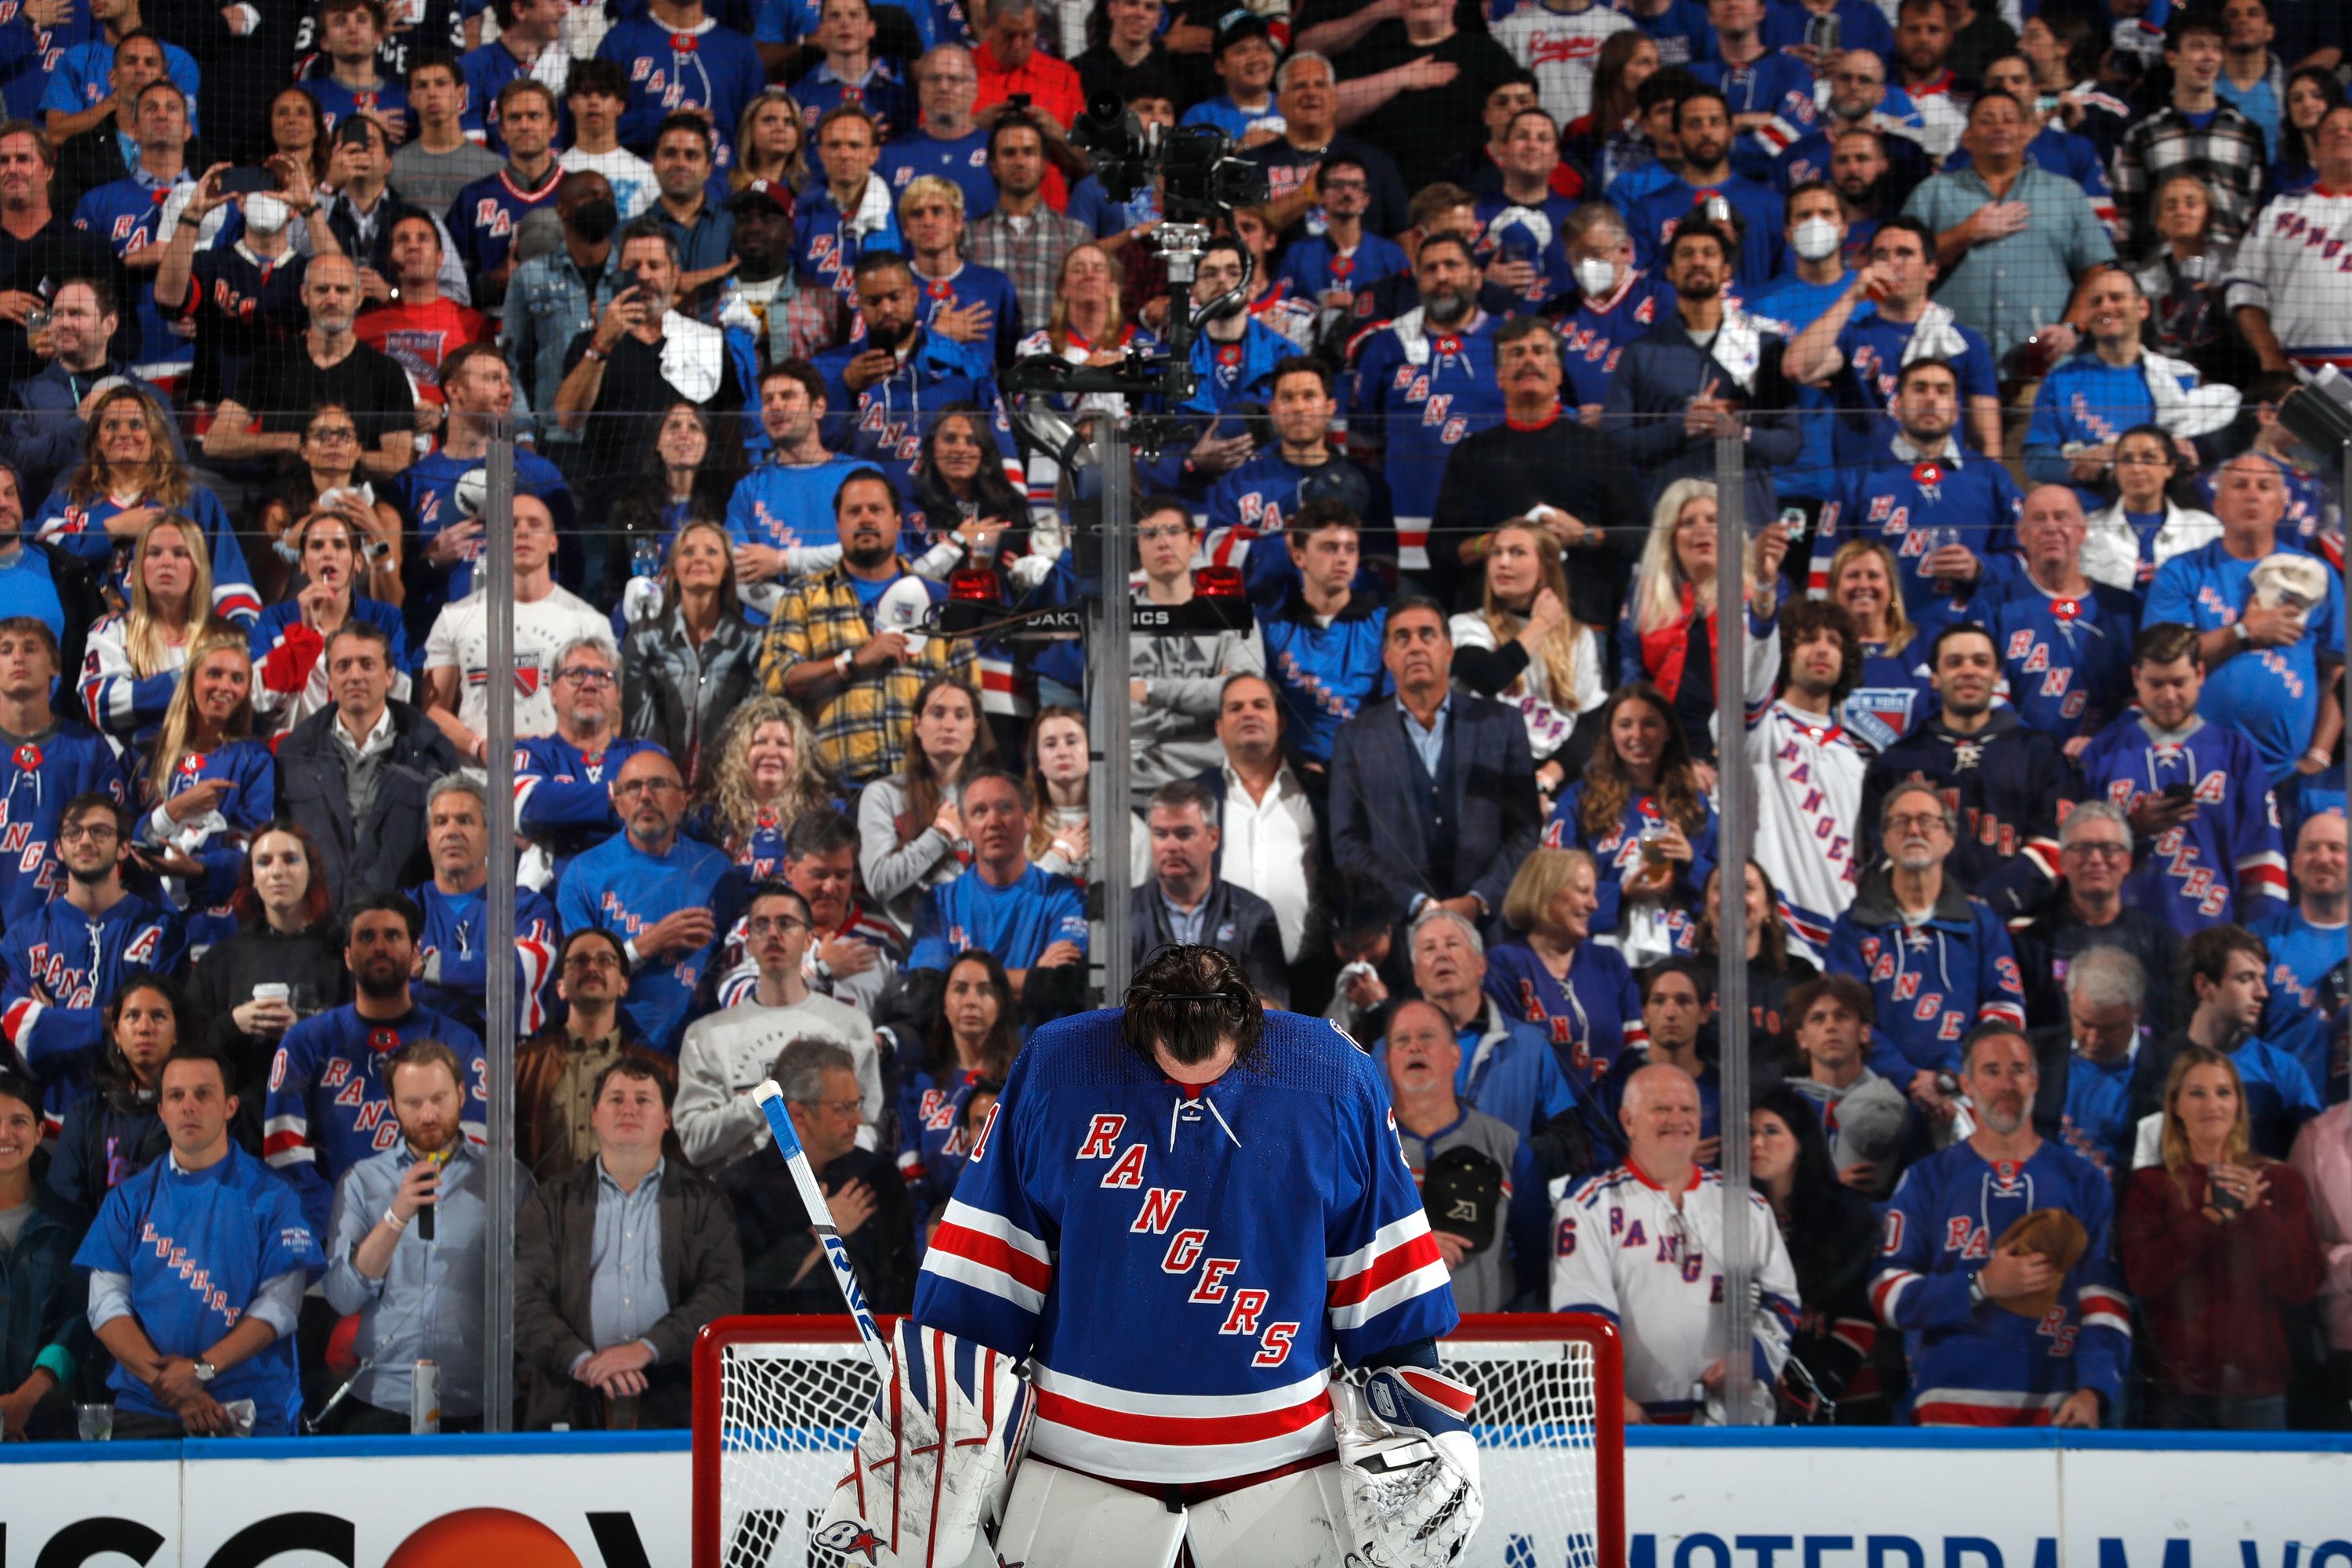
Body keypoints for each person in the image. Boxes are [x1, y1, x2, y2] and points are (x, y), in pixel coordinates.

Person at [857, 945, 1470, 1566]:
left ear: (1249, 1021)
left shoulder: (1334, 1077)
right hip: (1079, 1476)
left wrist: (1437, 1436)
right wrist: (923, 1429)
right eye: (1172, 1064)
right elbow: (978, 1292)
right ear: (1137, 1025)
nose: (1190, 1086)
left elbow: (1392, 1307)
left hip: (1283, 1476)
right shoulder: (1057, 1067)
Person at [1871, 1024, 2129, 1427]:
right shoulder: (1927, 1179)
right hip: (1951, 1401)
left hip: (2058, 1405)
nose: (2007, 1084)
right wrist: (1980, 1284)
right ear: (1967, 1084)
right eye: (1992, 1071)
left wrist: (2093, 1389)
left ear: (2035, 1081)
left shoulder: (2083, 1180)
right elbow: (1887, 1293)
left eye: (2018, 1070)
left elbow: (2104, 1299)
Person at [76, 1045, 324, 1438]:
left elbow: (279, 1307)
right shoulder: (128, 1200)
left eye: (203, 1094)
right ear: (161, 1110)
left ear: (229, 1106)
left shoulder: (274, 1197)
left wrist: (200, 1371)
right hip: (146, 1410)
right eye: (175, 1096)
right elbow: (105, 1308)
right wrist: (177, 1391)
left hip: (250, 1412)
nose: (188, 1106)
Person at [1553, 1061, 1799, 1424]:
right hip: (1632, 1423)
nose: (1678, 1119)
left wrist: (1754, 1358)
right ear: (1628, 1121)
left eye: (1688, 1109)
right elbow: (1582, 1315)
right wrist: (1608, 1395)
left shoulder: (1746, 1204)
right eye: (1661, 1109)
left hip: (1734, 1423)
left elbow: (1782, 1299)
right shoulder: (1589, 1203)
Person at [515, 1056, 744, 1430]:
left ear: (667, 1118)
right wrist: (582, 1360)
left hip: (678, 1401)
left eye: (643, 1100)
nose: (629, 1110)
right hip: (570, 1398)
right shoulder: (551, 1201)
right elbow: (524, 1300)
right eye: (616, 1099)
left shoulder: (705, 1201)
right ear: (593, 1115)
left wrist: (645, 1349)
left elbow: (722, 1295)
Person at [321, 1039, 534, 1432]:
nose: (429, 1114)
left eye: (439, 1099)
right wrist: (396, 1215)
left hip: (482, 1400)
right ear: (391, 1106)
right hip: (384, 1398)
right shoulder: (362, 1182)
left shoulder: (509, 1179)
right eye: (413, 1103)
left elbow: (533, 1291)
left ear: (461, 1094)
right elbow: (342, 1295)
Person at [260, 893, 489, 1238]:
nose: (380, 946)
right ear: (348, 956)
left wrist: (419, 1217)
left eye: (393, 936)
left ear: (416, 953)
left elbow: (475, 1147)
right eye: (366, 937)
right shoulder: (305, 1042)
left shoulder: (458, 1042)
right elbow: (284, 1152)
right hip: (331, 1239)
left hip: (433, 1235)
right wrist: (338, 1224)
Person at [2122, 1046, 2321, 1429]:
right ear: (2175, 1105)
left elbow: (2303, 1284)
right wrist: (2206, 1217)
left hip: (2258, 1392)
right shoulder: (2150, 1185)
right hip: (2175, 1393)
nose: (2212, 1104)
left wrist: (2256, 1214)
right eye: (2197, 1093)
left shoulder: (2279, 1182)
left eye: (2223, 1092)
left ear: (2238, 1105)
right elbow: (2143, 1278)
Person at [1329, 597, 1541, 929]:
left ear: (1449, 650)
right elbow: (1348, 844)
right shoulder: (1353, 738)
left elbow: (1526, 830)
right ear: (1387, 657)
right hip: (1400, 931)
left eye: (1427, 635)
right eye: (1402, 638)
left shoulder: (1503, 725)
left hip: (1491, 925)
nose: (1415, 647)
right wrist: (1416, 904)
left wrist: (1479, 899)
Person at [758, 470, 977, 786]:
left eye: (876, 510)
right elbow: (776, 679)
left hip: (928, 783)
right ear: (838, 524)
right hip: (835, 787)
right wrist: (851, 662)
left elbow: (969, 691)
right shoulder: (804, 595)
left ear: (897, 520)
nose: (865, 519)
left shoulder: (938, 597)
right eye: (853, 511)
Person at [1428, 314, 1642, 633]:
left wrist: (1583, 535)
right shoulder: (1471, 453)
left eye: (1539, 352)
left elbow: (1640, 534)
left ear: (1558, 374)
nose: (1529, 360)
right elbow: (1440, 550)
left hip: (1579, 623)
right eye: (1517, 353)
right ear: (1500, 377)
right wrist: (1490, 544)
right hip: (1491, 627)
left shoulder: (1598, 448)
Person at [2146, 452, 2343, 798]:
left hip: (2291, 776)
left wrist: (2320, 755)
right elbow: (2161, 662)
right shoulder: (2183, 572)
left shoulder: (2315, 574)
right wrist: (2244, 632)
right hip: (2194, 766)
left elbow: (2338, 671)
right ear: (2218, 505)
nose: (2252, 495)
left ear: (2281, 507)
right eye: (2239, 485)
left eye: (2264, 486)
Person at [2077, 621, 2287, 942]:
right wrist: (2131, 826)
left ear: (2200, 674)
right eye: (2156, 683)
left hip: (2214, 938)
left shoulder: (2236, 753)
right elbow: (2075, 853)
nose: (2168, 696)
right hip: (2121, 941)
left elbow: (2262, 853)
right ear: (2137, 678)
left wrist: (2259, 941)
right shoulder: (2101, 754)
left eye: (2179, 682)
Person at [1858, 622, 2074, 920]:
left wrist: (1990, 901)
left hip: (2024, 929)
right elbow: (1883, 851)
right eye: (1954, 662)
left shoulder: (2040, 753)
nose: (1968, 671)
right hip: (1927, 926)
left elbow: (2058, 842)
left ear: (1998, 675)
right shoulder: (1897, 762)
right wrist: (1947, 905)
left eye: (1981, 662)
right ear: (1934, 677)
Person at [1827, 781, 2030, 1091]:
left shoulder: (1982, 925)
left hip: (1969, 1087)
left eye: (1927, 821)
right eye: (1900, 822)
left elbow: (2005, 1010)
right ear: (1885, 840)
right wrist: (1907, 1079)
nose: (1914, 831)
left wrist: (1951, 1074)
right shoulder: (1853, 927)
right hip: (1876, 1089)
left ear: (1949, 840)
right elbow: (1844, 1020)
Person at [1606, 220, 1799, 532]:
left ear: (1726, 271)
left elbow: (1789, 444)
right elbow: (1614, 445)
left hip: (1747, 524)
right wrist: (1681, 425)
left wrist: (1739, 432)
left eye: (1709, 253)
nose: (1698, 261)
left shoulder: (1764, 347)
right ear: (1669, 271)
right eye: (1686, 254)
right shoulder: (1640, 354)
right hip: (1669, 530)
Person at [554, 221, 744, 537]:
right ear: (619, 272)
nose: (643, 275)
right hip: (608, 515)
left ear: (674, 274)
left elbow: (730, 435)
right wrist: (602, 343)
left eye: (654, 266)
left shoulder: (707, 342)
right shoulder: (588, 343)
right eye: (633, 266)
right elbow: (568, 419)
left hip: (694, 519)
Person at [0, 793, 185, 1112]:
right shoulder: (22, 936)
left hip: (138, 1113)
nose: (85, 841)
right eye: (74, 833)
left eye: (99, 832)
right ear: (59, 848)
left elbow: (159, 1035)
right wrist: (109, 1019)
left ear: (124, 847)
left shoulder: (162, 930)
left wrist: (54, 1021)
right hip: (50, 1120)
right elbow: (20, 1037)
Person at [1900, 89, 2116, 361]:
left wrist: (2072, 328)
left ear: (2026, 132)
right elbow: (1901, 267)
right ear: (1966, 137)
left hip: (2041, 358)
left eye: (2009, 119)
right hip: (1952, 358)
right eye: (1987, 120)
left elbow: (2098, 270)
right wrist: (1966, 233)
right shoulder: (1933, 192)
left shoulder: (2065, 192)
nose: (1999, 127)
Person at [556, 748, 746, 1054]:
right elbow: (579, 979)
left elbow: (738, 960)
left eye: (658, 784)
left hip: (701, 1048)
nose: (645, 796)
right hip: (612, 1047)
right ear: (618, 804)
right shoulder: (584, 873)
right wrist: (650, 943)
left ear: (683, 800)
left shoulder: (716, 869)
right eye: (632, 787)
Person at [677, 883, 879, 1169]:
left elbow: (867, 1126)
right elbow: (695, 1145)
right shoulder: (707, 1035)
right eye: (761, 925)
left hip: (830, 1197)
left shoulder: (850, 1025)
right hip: (742, 1200)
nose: (773, 933)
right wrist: (765, 1097)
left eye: (786, 923)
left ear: (810, 941)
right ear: (748, 943)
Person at [1781, 216, 2002, 469]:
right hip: (1867, 488)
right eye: (1881, 255)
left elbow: (1988, 442)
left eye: (1904, 254)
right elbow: (1796, 367)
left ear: (1931, 270)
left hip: (1941, 485)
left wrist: (1988, 493)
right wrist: (1852, 296)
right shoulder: (1852, 336)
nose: (1892, 264)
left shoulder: (1965, 343)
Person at [273, 621, 463, 913]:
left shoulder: (433, 754)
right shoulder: (294, 755)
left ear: (389, 676)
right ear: (330, 678)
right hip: (319, 930)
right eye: (343, 666)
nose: (355, 676)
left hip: (402, 928)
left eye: (367, 664)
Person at [1342, 233, 1502, 575]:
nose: (1442, 276)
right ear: (1418, 280)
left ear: (1476, 276)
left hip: (1496, 536)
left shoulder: (1512, 341)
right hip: (1407, 535)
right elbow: (1362, 444)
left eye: (1452, 266)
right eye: (1430, 268)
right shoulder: (1386, 347)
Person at [722, 1036, 914, 1316]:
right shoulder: (741, 1187)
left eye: (856, 1104)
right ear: (798, 1114)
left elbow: (902, 1287)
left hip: (867, 1352)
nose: (858, 1120)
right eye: (843, 1108)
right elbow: (741, 1293)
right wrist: (820, 1234)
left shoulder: (878, 1177)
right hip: (774, 1352)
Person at [38, 392, 254, 633]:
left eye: (136, 425)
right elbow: (41, 560)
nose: (123, 434)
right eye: (111, 425)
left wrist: (240, 634)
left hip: (177, 637)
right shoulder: (68, 501)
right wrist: (112, 529)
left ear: (155, 438)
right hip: (84, 637)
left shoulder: (195, 501)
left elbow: (230, 580)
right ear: (97, 440)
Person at [1385, 998, 1546, 1314]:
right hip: (1390, 1347)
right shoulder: (1362, 1149)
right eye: (1402, 1040)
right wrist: (1412, 1252)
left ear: (1455, 1055)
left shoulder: (1506, 1146)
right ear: (1388, 1060)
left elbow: (1536, 1253)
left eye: (1428, 1037)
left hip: (1488, 1347)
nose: (1415, 1046)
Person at [419, 494, 607, 757]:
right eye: (511, 525)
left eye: (534, 524)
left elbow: (610, 716)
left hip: (556, 782)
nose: (523, 533)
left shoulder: (589, 623)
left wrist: (565, 758)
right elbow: (433, 711)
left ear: (554, 542)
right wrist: (480, 748)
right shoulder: (454, 617)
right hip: (478, 783)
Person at [201, 252, 416, 481]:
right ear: (304, 295)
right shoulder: (272, 360)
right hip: (283, 497)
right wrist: (290, 442)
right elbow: (216, 442)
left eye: (342, 291)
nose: (332, 300)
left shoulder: (386, 372)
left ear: (359, 297)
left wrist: (334, 455)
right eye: (322, 290)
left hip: (357, 497)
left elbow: (399, 460)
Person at [2020, 270, 2241, 490]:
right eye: (2096, 302)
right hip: (2087, 513)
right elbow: (2036, 461)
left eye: (2116, 298)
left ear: (2143, 308)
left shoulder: (2177, 379)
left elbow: (2198, 454)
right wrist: (2079, 466)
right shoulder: (2061, 380)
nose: (2106, 308)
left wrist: (2118, 452)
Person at [1544, 683, 1715, 967]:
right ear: (1610, 733)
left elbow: (1727, 891)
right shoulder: (1579, 799)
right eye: (1625, 725)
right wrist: (1621, 893)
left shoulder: (1695, 805)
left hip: (1681, 960)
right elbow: (1550, 888)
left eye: (1650, 724)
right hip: (1602, 957)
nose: (1637, 735)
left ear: (1668, 731)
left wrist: (1689, 862)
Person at [1737, 595, 1867, 954]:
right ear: (1784, 652)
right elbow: (1747, 689)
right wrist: (1764, 611)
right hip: (1778, 935)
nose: (1822, 650)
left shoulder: (1857, 757)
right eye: (1808, 640)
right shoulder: (1761, 730)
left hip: (1841, 938)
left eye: (1834, 642)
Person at [1964, 485, 2143, 749]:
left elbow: (2142, 693)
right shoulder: (1990, 605)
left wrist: (2100, 744)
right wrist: (2037, 748)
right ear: (2022, 534)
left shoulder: (2123, 608)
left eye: (2061, 517)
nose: (2051, 527)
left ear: (2083, 531)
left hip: (2107, 759)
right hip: (2018, 758)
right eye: (2039, 519)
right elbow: (1984, 692)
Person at [1749, 1080, 1883, 1422]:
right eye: (1749, 1132)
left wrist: (1826, 1383)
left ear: (1801, 1143)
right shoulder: (1731, 1215)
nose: (1757, 1143)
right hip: (1761, 1397)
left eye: (1771, 1131)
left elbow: (1859, 1308)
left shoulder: (1845, 1213)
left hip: (1846, 1395)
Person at [189, 824, 350, 1108]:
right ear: (252, 877)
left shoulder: (343, 955)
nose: (277, 872)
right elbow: (187, 1052)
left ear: (312, 871)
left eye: (291, 859)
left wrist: (301, 1034)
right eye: (264, 862)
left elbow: (367, 1045)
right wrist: (233, 1023)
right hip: (241, 1119)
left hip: (325, 1114)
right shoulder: (221, 959)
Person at [1483, 848, 1649, 1120]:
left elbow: (1636, 1055)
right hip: (1535, 1127)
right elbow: (1506, 1064)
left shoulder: (1610, 963)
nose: (1595, 905)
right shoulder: (1505, 964)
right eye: (1583, 892)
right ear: (1545, 894)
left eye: (1594, 894)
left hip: (1610, 1130)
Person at [906, 769, 1086, 1014]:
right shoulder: (938, 903)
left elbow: (1060, 990)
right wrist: (1031, 978)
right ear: (966, 828)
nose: (993, 822)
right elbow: (926, 997)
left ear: (1028, 819)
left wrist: (959, 983)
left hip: (1037, 1048)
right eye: (980, 811)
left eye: (1005, 808)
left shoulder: (1065, 898)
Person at [134, 631, 271, 935]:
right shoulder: (146, 754)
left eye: (237, 679)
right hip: (149, 919)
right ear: (191, 681)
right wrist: (177, 808)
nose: (225, 686)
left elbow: (255, 852)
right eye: (214, 674)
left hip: (222, 924)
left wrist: (201, 870)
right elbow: (132, 842)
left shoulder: (254, 758)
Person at [403, 773, 559, 1039]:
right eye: (441, 822)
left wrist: (429, 965)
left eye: (465, 820)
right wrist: (487, 972)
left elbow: (521, 970)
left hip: (509, 1063)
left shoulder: (526, 906)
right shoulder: (404, 909)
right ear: (429, 838)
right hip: (422, 1060)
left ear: (490, 834)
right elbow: (391, 986)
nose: (452, 832)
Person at [3, 274, 182, 506]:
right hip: (56, 530)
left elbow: (177, 475)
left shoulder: (149, 397)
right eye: (57, 314)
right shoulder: (21, 395)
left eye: (76, 314)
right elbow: (16, 463)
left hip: (137, 527)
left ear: (110, 324)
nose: (64, 323)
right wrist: (79, 424)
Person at [2148, 924, 2322, 1162]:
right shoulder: (2155, 1064)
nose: (2262, 992)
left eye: (2262, 979)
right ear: (2204, 986)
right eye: (2246, 978)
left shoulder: (2283, 1069)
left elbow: (2312, 1161)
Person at [2013, 802, 2185, 1034]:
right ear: (2062, 862)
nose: (2095, 859)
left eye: (2109, 849)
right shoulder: (2032, 945)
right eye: (2082, 849)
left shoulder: (2163, 944)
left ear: (2127, 861)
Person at [0, 615, 127, 926]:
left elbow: (114, 849)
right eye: (5, 650)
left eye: (30, 649)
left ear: (54, 666)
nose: (18, 658)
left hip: (70, 932)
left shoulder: (90, 751)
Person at [514, 928, 668, 1184]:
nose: (592, 968)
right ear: (561, 988)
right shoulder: (524, 1065)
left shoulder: (661, 1071)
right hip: (544, 1216)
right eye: (579, 961)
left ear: (623, 984)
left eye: (605, 960)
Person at [514, 635, 668, 887]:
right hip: (553, 898)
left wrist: (562, 819)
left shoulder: (646, 754)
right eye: (576, 674)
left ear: (618, 694)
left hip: (636, 892)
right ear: (553, 691)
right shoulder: (530, 752)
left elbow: (662, 815)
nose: (589, 685)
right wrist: (616, 795)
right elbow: (530, 806)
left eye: (603, 677)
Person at [2113, 13, 2271, 251]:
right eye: (2197, 46)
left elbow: (2255, 214)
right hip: (2162, 275)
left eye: (2217, 48)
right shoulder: (2142, 136)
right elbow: (2128, 216)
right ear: (2172, 57)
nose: (2208, 57)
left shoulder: (2247, 133)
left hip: (2229, 274)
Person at [1253, 500, 1388, 779]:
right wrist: (1295, 762)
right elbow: (1261, 712)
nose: (1342, 558)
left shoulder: (1384, 623)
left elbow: (1396, 710)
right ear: (1299, 556)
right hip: (1293, 773)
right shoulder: (1271, 629)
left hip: (1369, 770)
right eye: (1329, 548)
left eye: (1350, 549)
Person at [249, 504, 410, 738]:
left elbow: (398, 696)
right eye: (316, 546)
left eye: (339, 545)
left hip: (365, 752)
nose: (328, 553)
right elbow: (260, 702)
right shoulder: (273, 621)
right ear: (303, 564)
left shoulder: (386, 620)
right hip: (294, 756)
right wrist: (304, 635)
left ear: (357, 562)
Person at [1134, 779, 1289, 1006]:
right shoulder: (1124, 912)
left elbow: (1273, 1006)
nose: (1171, 845)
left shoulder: (1254, 913)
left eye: (1184, 834)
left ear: (1213, 837)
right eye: (1161, 834)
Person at [45, 972, 188, 1214]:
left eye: (158, 1016)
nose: (145, 1028)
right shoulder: (86, 1114)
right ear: (116, 1032)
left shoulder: (196, 1111)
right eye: (133, 1016)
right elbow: (64, 1208)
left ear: (176, 1033)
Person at [895, 947, 1016, 1229]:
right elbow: (908, 1160)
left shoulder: (1021, 1084)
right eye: (960, 989)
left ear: (1001, 1002)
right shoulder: (916, 1085)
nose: (971, 1001)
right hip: (930, 1228)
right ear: (944, 1003)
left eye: (985, 991)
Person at [2229, 103, 2352, 374]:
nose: (2343, 134)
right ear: (2314, 151)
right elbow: (2245, 291)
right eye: (2332, 130)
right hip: (2298, 373)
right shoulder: (2280, 211)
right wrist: (2270, 356)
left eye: (2351, 129)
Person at [2028, 945, 2166, 1183]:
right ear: (2070, 1003)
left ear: (2138, 1010)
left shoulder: (2170, 1072)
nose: (2094, 1040)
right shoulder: (2030, 1054)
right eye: (2084, 1023)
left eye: (2109, 1028)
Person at [0, 1064, 83, 1440]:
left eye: (18, 1121)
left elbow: (77, 1323)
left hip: (47, 1426)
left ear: (38, 1134)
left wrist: (28, 1396)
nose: (5, 1134)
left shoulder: (70, 1225)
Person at [1781, 971, 1913, 1197]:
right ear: (1801, 1038)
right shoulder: (1782, 1109)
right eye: (1818, 1018)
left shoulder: (1899, 1106)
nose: (1830, 1026)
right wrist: (1831, 1187)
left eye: (1841, 1016)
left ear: (1864, 1032)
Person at [687, 698, 840, 886]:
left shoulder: (826, 813)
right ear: (739, 752)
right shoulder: (710, 819)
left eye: (783, 744)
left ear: (800, 756)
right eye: (760, 742)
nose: (771, 752)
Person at [2249, 811, 2347, 1095]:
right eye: (2311, 848)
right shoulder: (2259, 939)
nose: (2323, 858)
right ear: (2294, 864)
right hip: (2279, 1108)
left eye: (2336, 848)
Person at [2082, 423, 2223, 593]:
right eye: (2127, 459)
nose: (2136, 468)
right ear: (2116, 469)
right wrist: (2068, 612)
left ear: (2170, 468)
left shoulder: (2205, 529)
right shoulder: (2086, 530)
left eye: (2149, 459)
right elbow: (2062, 604)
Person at [391, 52, 503, 215]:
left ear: (461, 93)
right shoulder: (394, 167)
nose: (432, 93)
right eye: (422, 86)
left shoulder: (494, 167)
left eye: (441, 83)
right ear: (411, 99)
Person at [557, 59, 655, 223]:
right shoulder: (557, 171)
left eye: (604, 95)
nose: (594, 102)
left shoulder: (646, 174)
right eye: (586, 94)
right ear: (571, 103)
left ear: (620, 106)